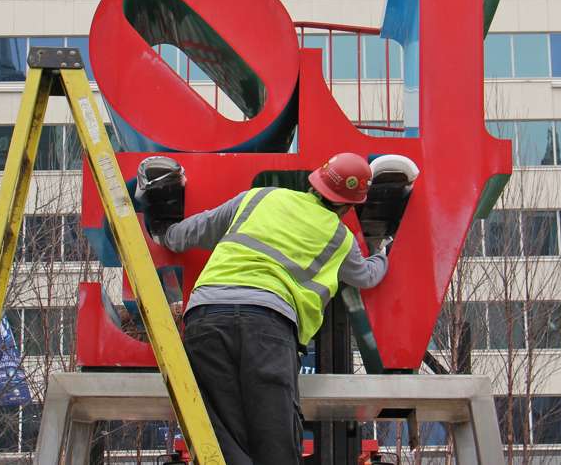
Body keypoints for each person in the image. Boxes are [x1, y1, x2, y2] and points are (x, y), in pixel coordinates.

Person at [151, 152, 390, 465]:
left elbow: (194, 230)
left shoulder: (260, 198)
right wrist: (383, 249)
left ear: (315, 182)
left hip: (206, 316)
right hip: (268, 328)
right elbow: (368, 276)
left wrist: (164, 232)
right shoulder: (339, 237)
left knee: (220, 434)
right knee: (275, 439)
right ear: (350, 206)